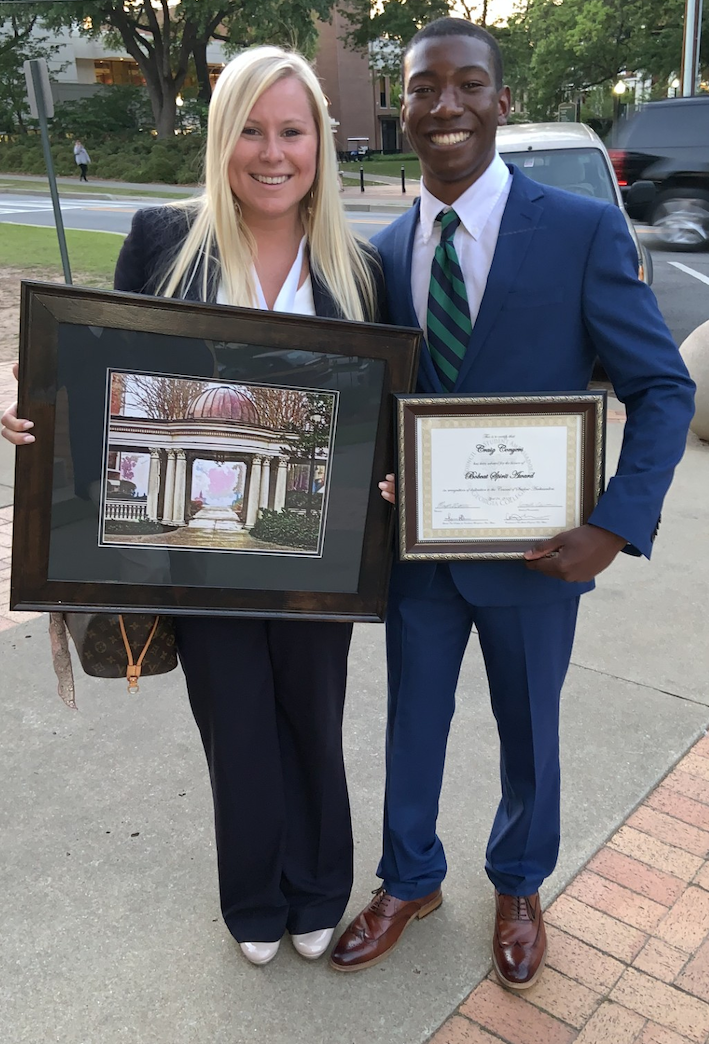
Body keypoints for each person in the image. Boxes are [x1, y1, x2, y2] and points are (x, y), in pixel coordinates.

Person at [329, 18, 695, 987]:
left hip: (540, 553)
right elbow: (368, 397)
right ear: (401, 107)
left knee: (528, 728)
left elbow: (660, 387)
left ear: (500, 100)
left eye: (464, 85)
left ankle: (519, 881)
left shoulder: (576, 233)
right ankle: (409, 878)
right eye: (421, 88)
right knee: (412, 722)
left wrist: (615, 521)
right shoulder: (381, 251)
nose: (442, 105)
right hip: (420, 554)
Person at [4, 46, 383, 967]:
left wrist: (392, 472)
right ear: (221, 140)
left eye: (291, 131)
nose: (271, 151)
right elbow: (103, 367)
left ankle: (318, 886)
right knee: (235, 721)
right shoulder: (161, 239)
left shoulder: (360, 264)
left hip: (312, 546)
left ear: (318, 145)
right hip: (189, 541)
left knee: (310, 713)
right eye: (250, 130)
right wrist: (35, 394)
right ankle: (253, 895)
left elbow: (383, 404)